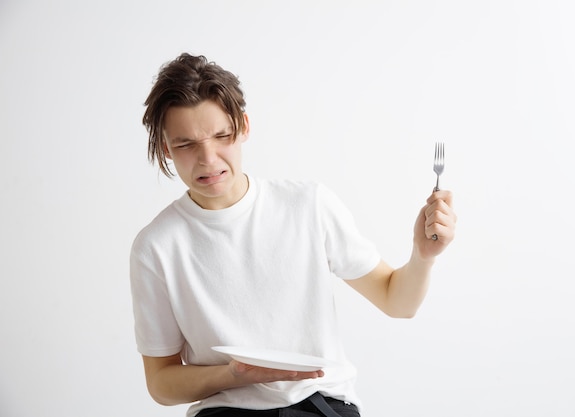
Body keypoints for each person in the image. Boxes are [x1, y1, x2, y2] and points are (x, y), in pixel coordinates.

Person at [130, 52, 456, 417]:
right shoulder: (156, 246)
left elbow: (399, 302)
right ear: (164, 148)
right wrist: (233, 375)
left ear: (244, 127)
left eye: (222, 136)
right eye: (186, 144)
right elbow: (160, 382)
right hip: (227, 410)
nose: (208, 158)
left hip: (320, 403)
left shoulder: (307, 205)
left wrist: (422, 256)